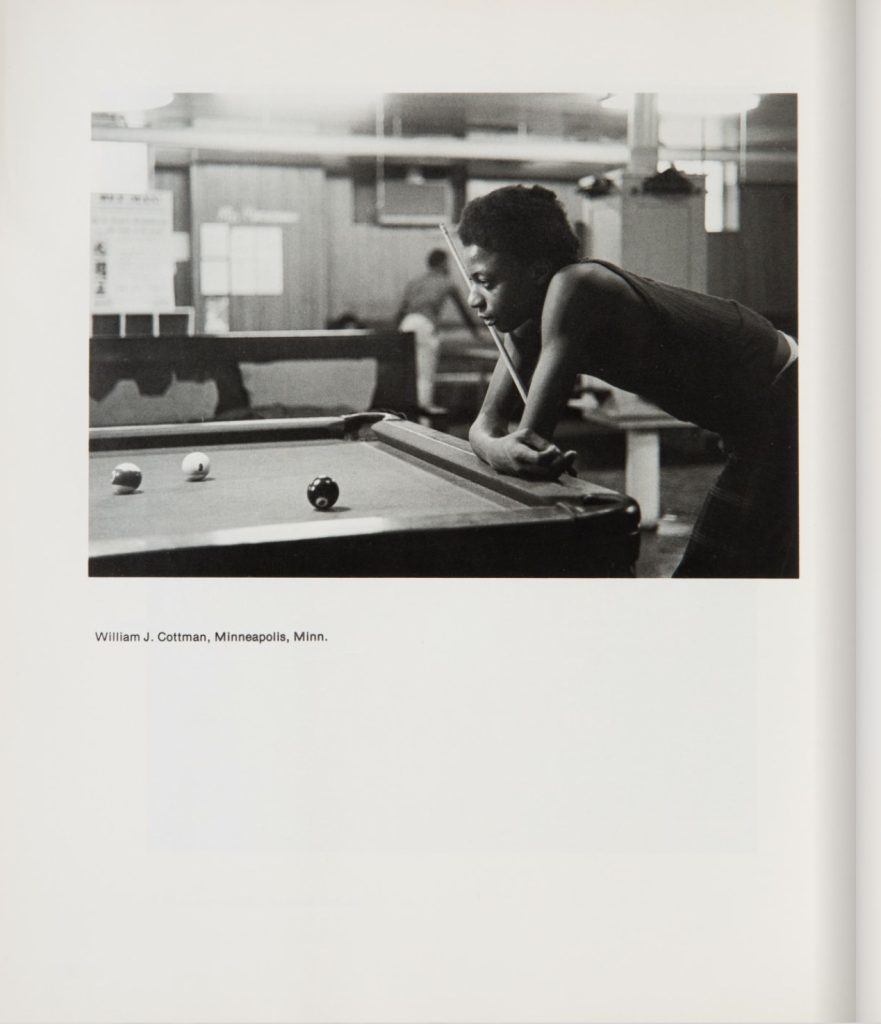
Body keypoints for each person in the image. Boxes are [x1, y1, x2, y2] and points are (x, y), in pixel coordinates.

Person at [459, 184, 798, 578]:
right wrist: (497, 448)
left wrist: (503, 449)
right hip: (752, 421)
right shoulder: (527, 321)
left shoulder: (577, 285)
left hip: (790, 398)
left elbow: (531, 441)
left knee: (713, 575)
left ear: (535, 270)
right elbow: (485, 427)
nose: (472, 299)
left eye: (486, 281)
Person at [396, 249, 482, 410]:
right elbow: (464, 310)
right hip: (424, 324)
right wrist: (476, 333)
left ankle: (408, 413)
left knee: (406, 374)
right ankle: (423, 419)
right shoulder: (446, 282)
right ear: (442, 263)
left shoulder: (416, 281)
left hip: (406, 324)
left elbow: (400, 312)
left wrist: (395, 335)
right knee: (425, 375)